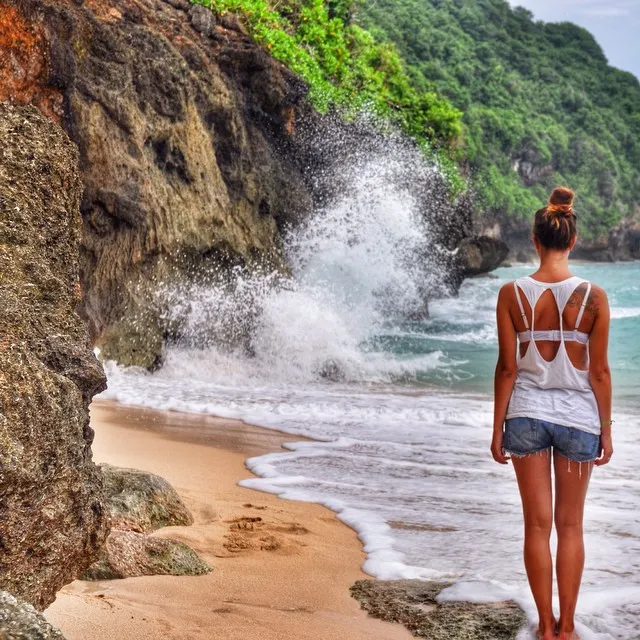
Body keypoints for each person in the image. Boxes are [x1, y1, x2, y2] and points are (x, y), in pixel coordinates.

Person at [491, 187, 613, 640]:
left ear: (534, 240)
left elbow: (506, 368)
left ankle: (544, 626)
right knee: (571, 527)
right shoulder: (594, 296)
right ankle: (568, 628)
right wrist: (607, 429)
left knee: (537, 527)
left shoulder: (511, 293)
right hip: (580, 420)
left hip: (524, 416)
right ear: (574, 240)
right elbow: (598, 372)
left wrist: (496, 427)